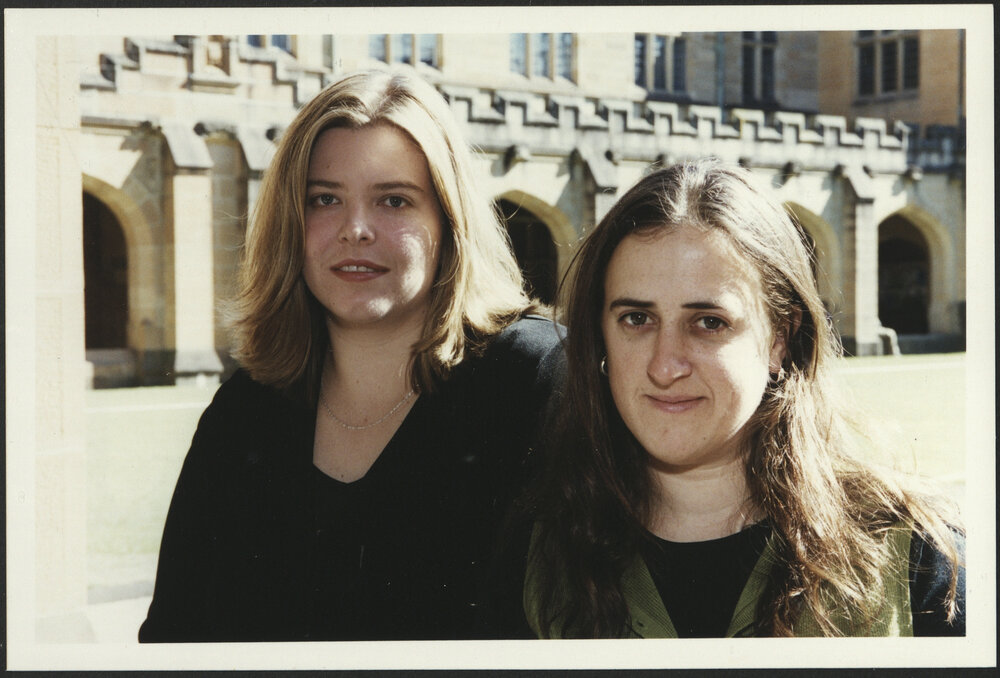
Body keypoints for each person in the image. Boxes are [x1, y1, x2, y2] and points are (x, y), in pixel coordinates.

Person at [139, 69, 563, 642]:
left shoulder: (535, 381)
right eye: (324, 199)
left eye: (394, 200)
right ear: (292, 222)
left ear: (448, 220)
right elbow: (173, 637)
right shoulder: (246, 410)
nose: (355, 229)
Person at [524, 159, 964, 638]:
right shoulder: (542, 559)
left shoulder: (914, 556)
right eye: (636, 319)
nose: (664, 365)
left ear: (780, 338)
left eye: (709, 322)